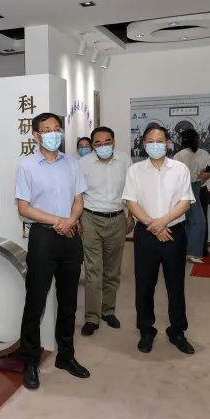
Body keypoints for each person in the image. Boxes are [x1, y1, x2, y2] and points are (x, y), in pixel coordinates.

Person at [15, 112, 91, 390]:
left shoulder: (72, 163)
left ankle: (66, 356)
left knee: (69, 302)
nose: (53, 134)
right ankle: (30, 362)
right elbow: (24, 208)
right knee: (35, 303)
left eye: (57, 128)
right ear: (36, 135)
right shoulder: (27, 166)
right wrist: (58, 221)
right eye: (47, 130)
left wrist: (71, 220)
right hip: (43, 238)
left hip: (70, 237)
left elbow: (79, 199)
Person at [123, 123, 196, 355]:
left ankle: (177, 331)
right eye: (151, 142)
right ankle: (146, 330)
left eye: (160, 141)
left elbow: (185, 202)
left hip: (174, 233)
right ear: (144, 144)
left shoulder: (180, 169)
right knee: (144, 285)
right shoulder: (135, 170)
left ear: (168, 143)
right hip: (146, 234)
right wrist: (152, 225)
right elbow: (131, 202)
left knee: (176, 285)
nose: (155, 145)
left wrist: (162, 222)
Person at [78, 126, 132, 336]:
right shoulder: (83, 163)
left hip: (117, 218)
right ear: (92, 145)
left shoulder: (124, 160)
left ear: (114, 142)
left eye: (107, 142)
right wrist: (77, 219)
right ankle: (92, 317)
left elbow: (132, 190)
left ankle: (108, 311)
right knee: (93, 271)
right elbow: (76, 194)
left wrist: (131, 216)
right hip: (90, 219)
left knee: (112, 269)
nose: (103, 146)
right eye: (98, 143)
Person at [173, 128, 210, 263]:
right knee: (197, 222)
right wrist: (200, 178)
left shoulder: (180, 155)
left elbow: (175, 177)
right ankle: (192, 252)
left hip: (189, 189)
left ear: (183, 140)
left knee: (193, 222)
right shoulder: (199, 154)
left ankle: (191, 251)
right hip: (193, 188)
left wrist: (199, 178)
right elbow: (208, 172)